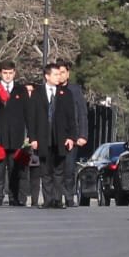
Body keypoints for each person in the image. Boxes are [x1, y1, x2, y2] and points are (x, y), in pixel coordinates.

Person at [39, 61, 83, 209]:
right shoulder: (38, 92)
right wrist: (32, 138)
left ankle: (58, 200)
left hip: (61, 137)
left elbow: (72, 118)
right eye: (56, 74)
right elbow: (32, 117)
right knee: (46, 171)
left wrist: (72, 137)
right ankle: (47, 200)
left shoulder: (66, 93)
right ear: (47, 76)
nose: (59, 77)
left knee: (59, 170)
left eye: (60, 74)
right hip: (44, 137)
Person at [0, 61, 30, 206]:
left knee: (15, 169)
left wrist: (28, 134)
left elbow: (28, 113)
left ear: (14, 73)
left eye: (10, 73)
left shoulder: (21, 90)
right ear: (0, 73)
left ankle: (15, 197)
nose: (7, 76)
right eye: (5, 73)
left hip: (17, 137)